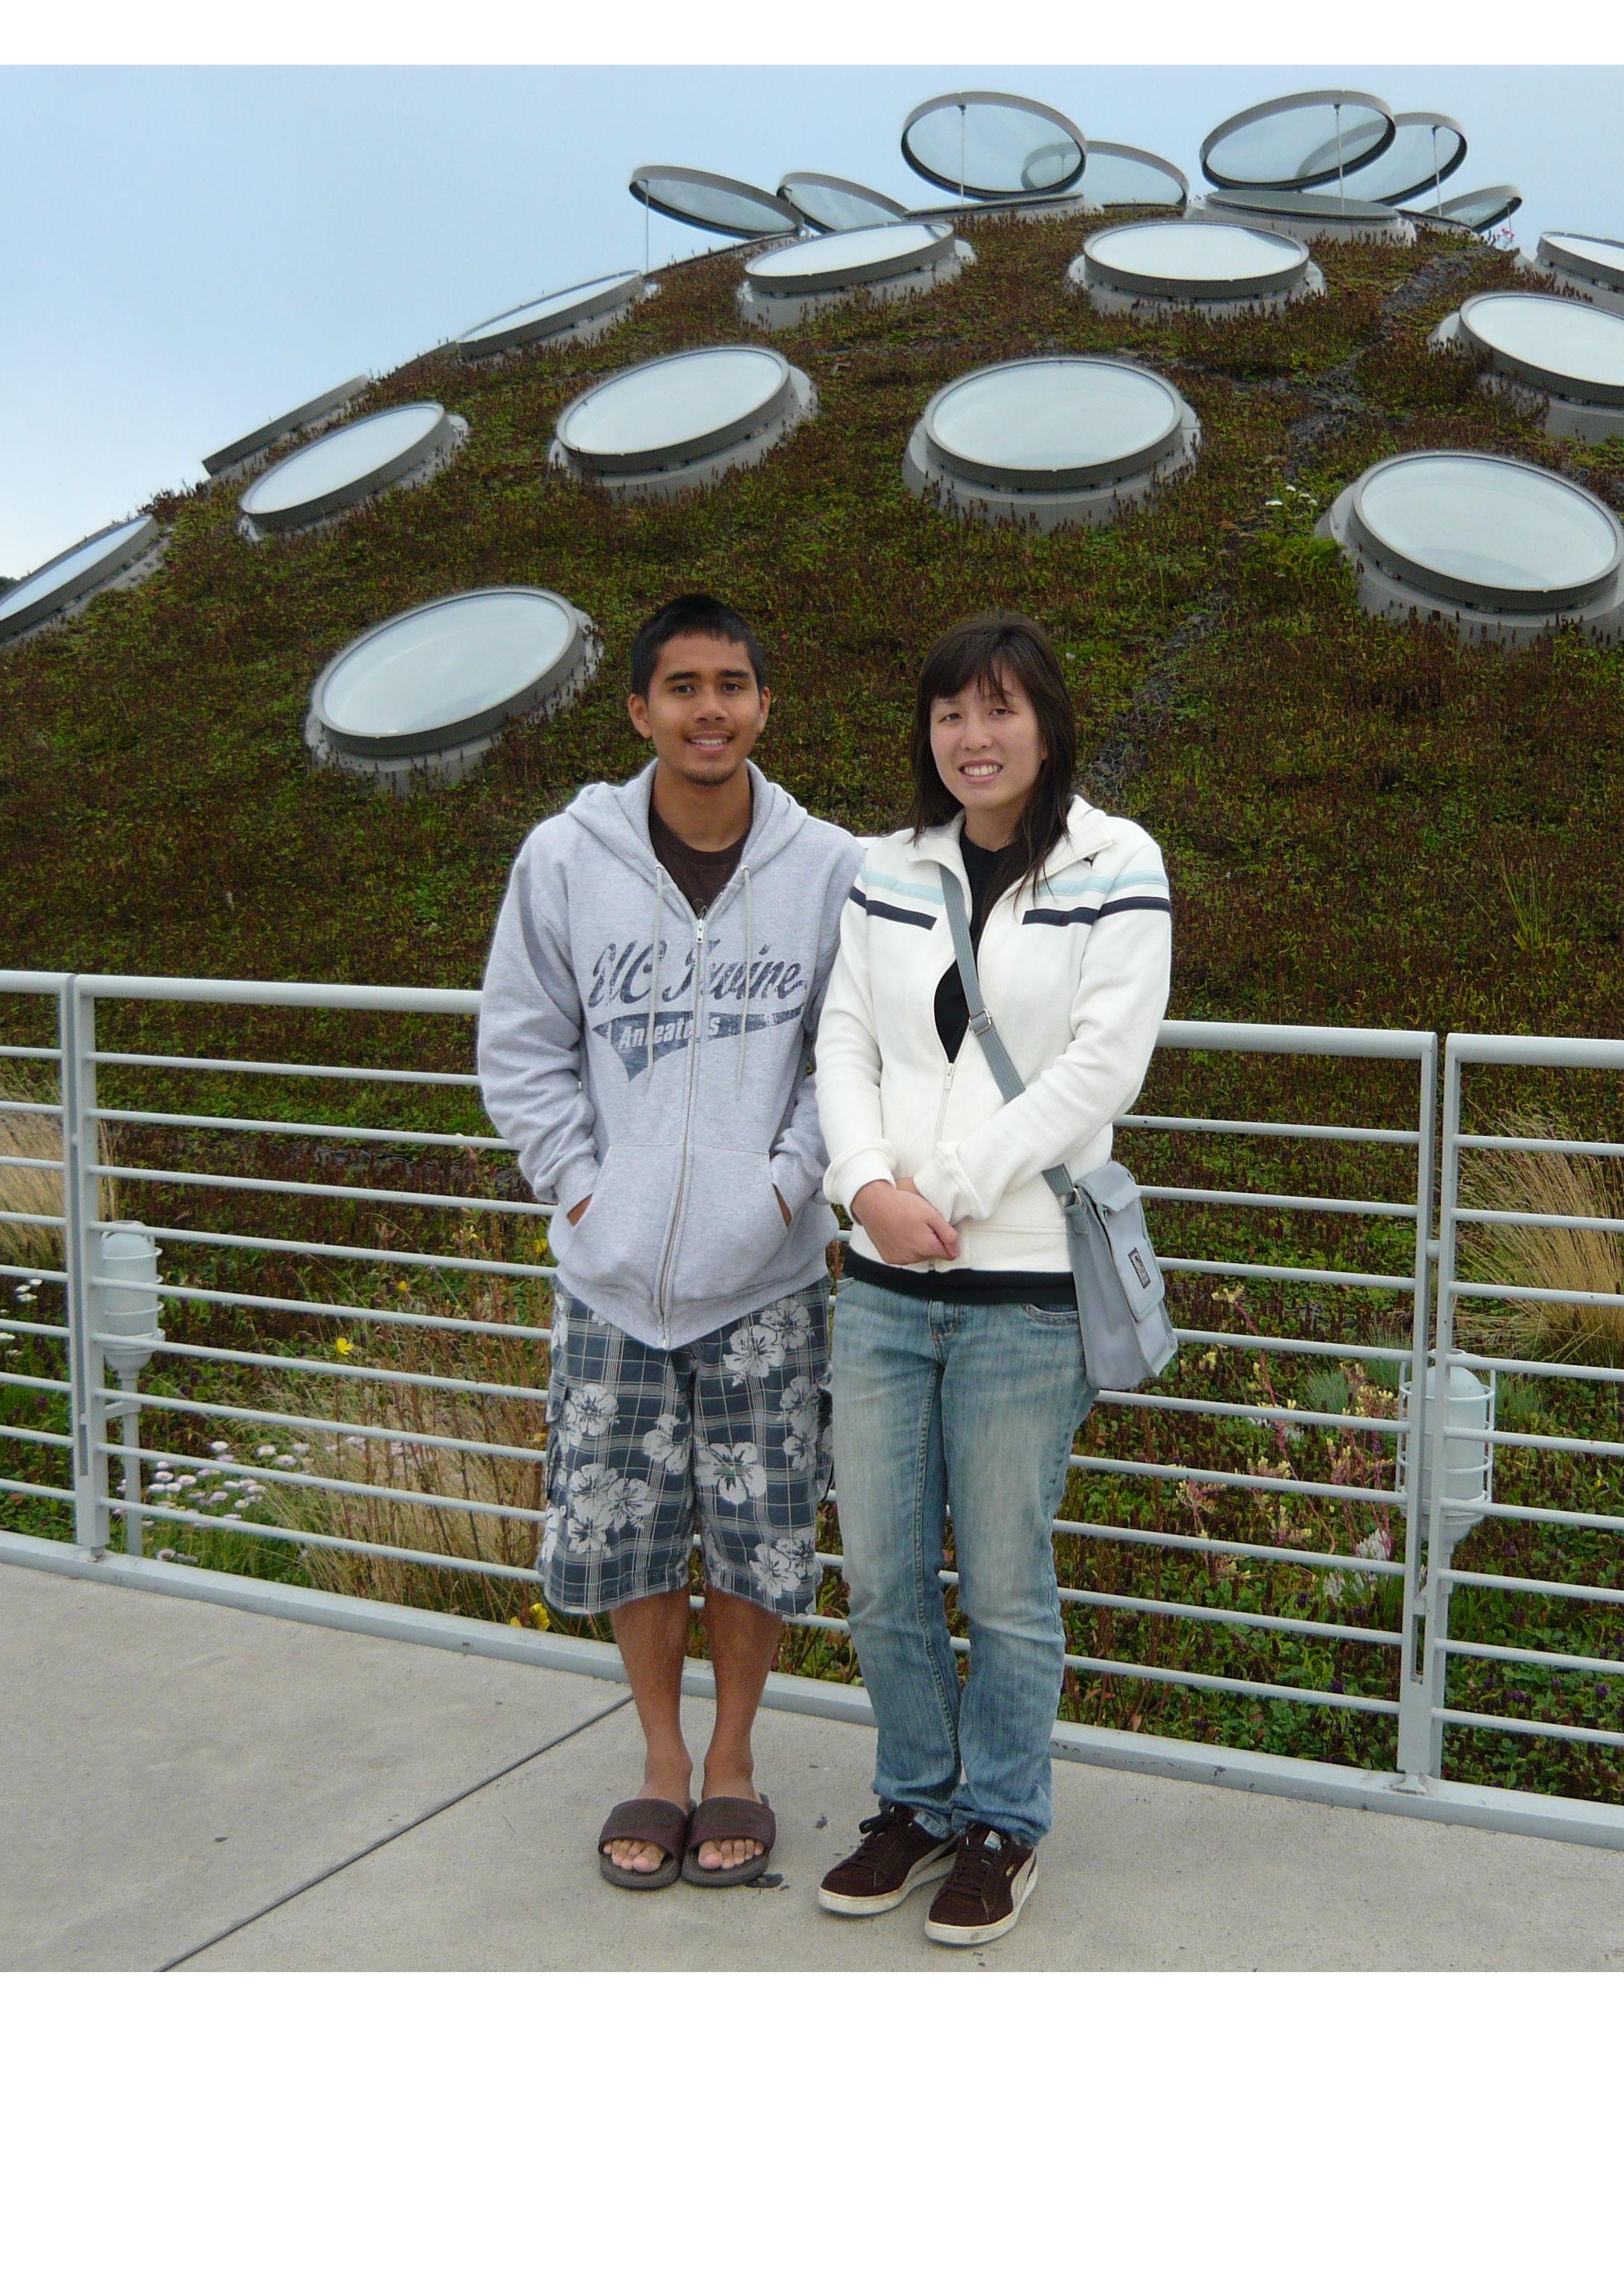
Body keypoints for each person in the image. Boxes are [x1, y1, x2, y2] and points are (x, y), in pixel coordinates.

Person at [478, 596, 860, 1890]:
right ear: (637, 710)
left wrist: (782, 1193)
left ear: (764, 705)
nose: (712, 709)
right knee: (629, 1528)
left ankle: (737, 1761)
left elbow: (841, 1059)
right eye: (683, 686)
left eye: (735, 684)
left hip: (763, 1275)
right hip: (611, 1276)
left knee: (755, 1529)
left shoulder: (832, 869)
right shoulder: (565, 857)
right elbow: (523, 1042)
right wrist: (581, 1190)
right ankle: (658, 1760)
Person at [812, 612, 1172, 1946]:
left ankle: (1004, 1822)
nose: (975, 736)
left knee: (1007, 1583)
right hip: (884, 1284)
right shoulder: (881, 869)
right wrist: (867, 1192)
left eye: (1002, 709)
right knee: (887, 1574)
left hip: (1023, 1288)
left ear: (1049, 723)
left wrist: (943, 1195)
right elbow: (843, 1037)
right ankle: (913, 1800)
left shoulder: (1117, 860)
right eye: (952, 711)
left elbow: (1101, 1066)